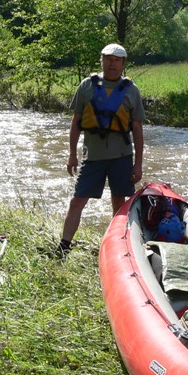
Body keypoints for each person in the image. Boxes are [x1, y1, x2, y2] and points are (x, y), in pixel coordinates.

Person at [54, 43, 145, 257]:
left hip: (121, 157)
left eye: (117, 60)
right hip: (92, 157)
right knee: (77, 201)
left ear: (123, 64)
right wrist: (72, 154)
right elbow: (76, 122)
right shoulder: (87, 86)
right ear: (102, 61)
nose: (112, 64)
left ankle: (119, 250)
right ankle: (63, 247)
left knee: (119, 204)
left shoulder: (132, 91)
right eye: (108, 59)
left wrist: (138, 163)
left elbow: (138, 130)